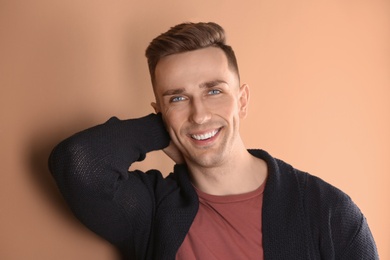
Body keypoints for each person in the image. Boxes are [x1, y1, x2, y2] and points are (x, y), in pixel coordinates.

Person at [49, 22, 378, 259]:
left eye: (214, 91)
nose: (200, 114)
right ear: (159, 113)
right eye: (178, 98)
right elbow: (78, 161)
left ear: (243, 100)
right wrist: (165, 126)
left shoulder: (330, 212)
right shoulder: (155, 210)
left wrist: (177, 117)